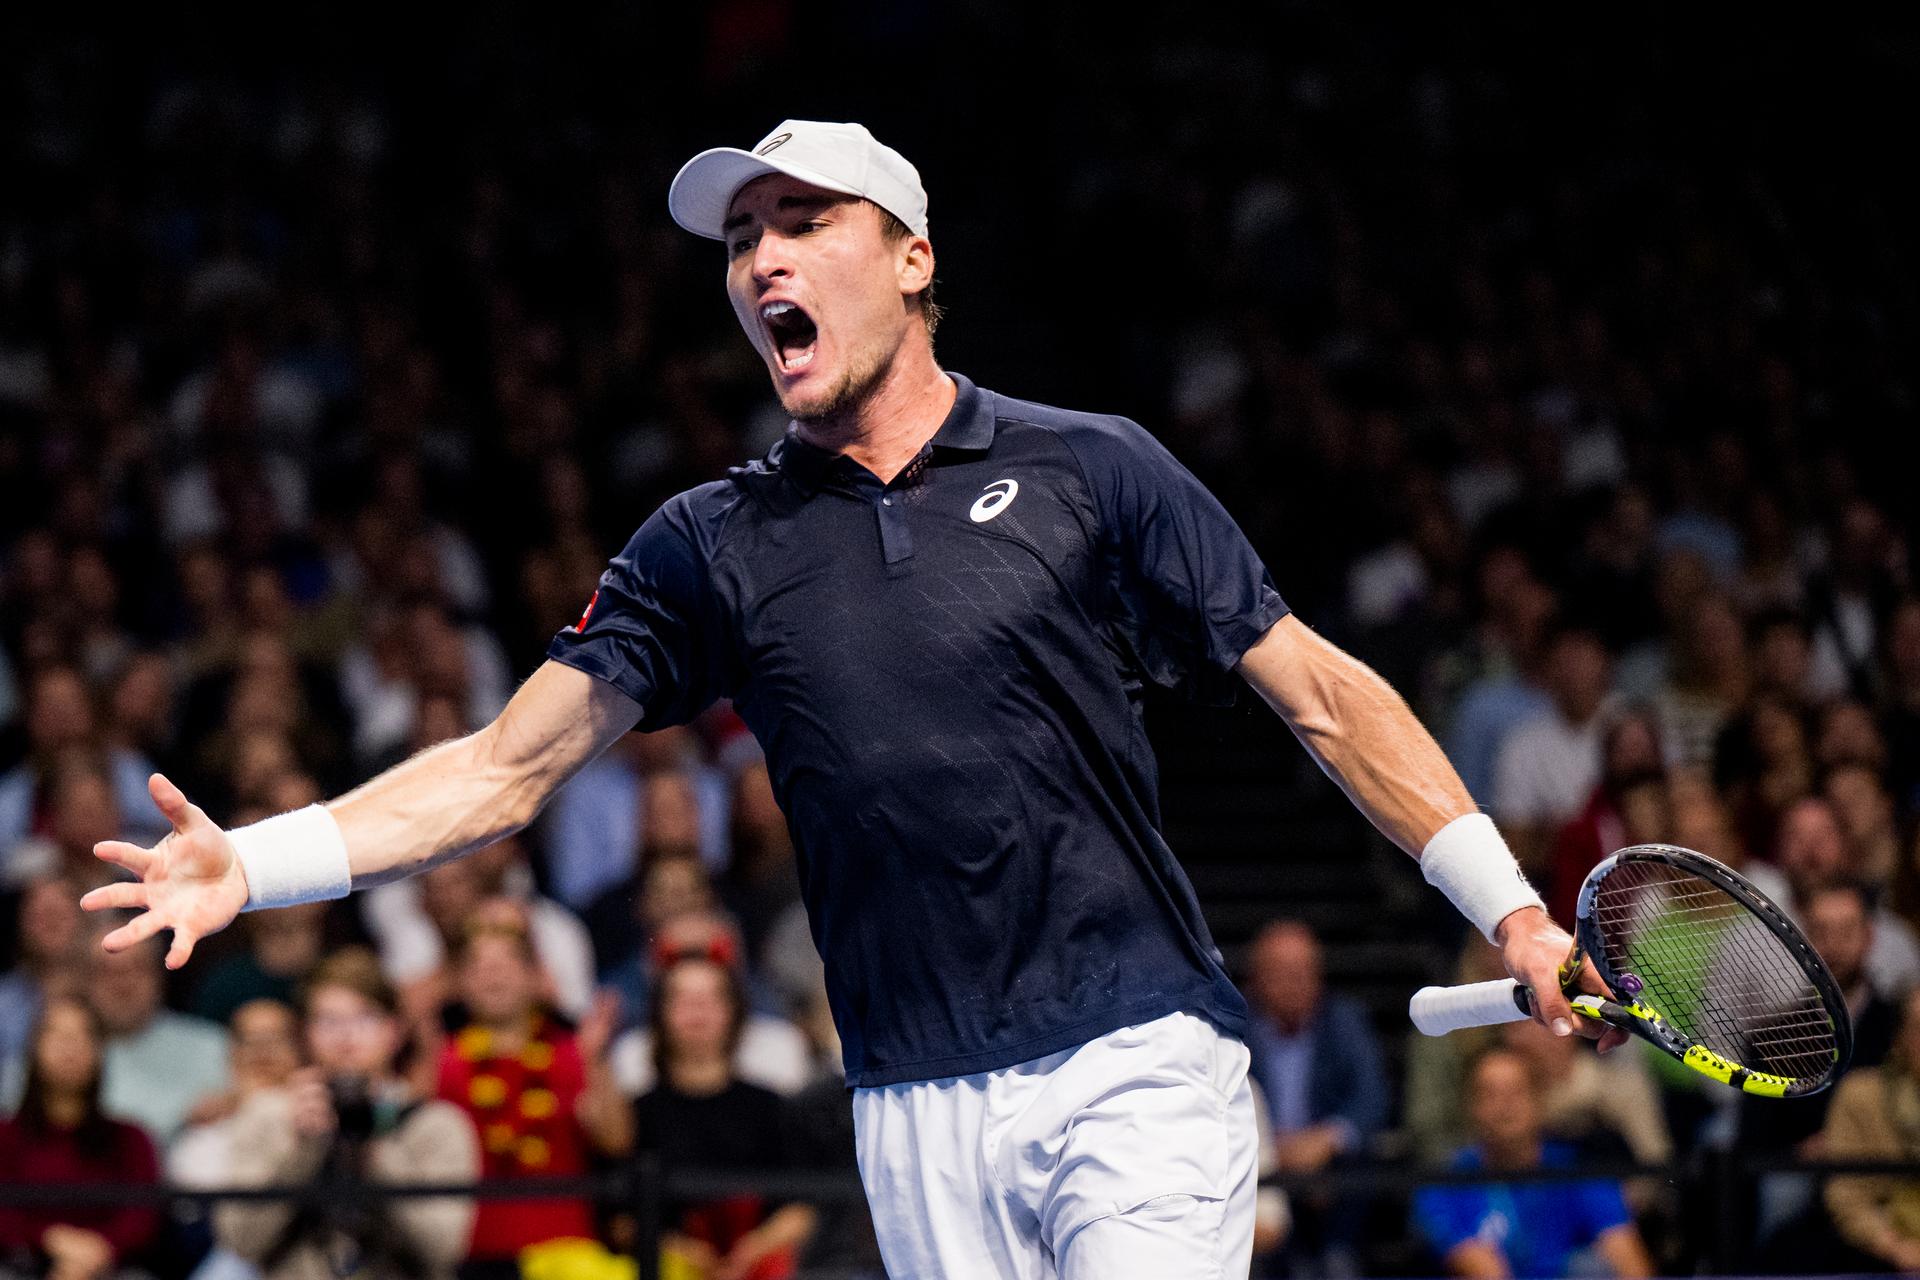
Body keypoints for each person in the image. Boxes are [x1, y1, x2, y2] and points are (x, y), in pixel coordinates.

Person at [85, 118, 1613, 1278]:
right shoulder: (707, 543)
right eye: (741, 239)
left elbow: (1328, 700)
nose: (760, 262)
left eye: (802, 221)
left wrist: (1515, 912)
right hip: (910, 1101)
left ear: (913, 258)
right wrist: (258, 860)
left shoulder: (1096, 467)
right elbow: (502, 768)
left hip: (1133, 1054)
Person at [214, 948, 477, 1280]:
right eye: (328, 1020)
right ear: (305, 1035)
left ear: (393, 1031)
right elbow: (240, 1242)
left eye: (364, 1017)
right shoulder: (270, 1115)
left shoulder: (436, 1124)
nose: (345, 1036)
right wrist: (302, 1151)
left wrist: (374, 1145)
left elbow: (442, 1249)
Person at [434, 917, 630, 1275]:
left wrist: (596, 1061)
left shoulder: (574, 1052)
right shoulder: (441, 1060)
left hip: (567, 1258)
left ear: (535, 976)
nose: (493, 976)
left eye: (507, 963)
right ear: (460, 982)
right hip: (470, 1259)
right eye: (479, 966)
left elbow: (616, 1141)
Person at [633, 952, 816, 1280]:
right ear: (659, 1013)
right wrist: (684, 1254)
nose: (698, 1011)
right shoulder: (638, 1113)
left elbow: (803, 1207)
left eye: (711, 998)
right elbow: (621, 1220)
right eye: (683, 999)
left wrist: (753, 1250)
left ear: (735, 1010)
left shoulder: (771, 1107)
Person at [1413, 1047, 1654, 1278]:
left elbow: (1629, 1262)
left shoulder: (1576, 1172)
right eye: (1490, 1094)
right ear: (1471, 1106)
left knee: (1589, 1267)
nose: (1504, 1105)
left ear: (1539, 1100)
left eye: (1516, 1091)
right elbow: (1481, 1270)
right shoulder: (1444, 1184)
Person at [0, 998, 161, 1278]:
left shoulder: (132, 1138)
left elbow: (142, 1217)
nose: (69, 1047)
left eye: (82, 1035)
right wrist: (52, 1239)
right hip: (22, 1265)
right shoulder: (6, 1136)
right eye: (57, 1034)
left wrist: (97, 1251)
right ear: (33, 1048)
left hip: (112, 1267)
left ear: (100, 1050)